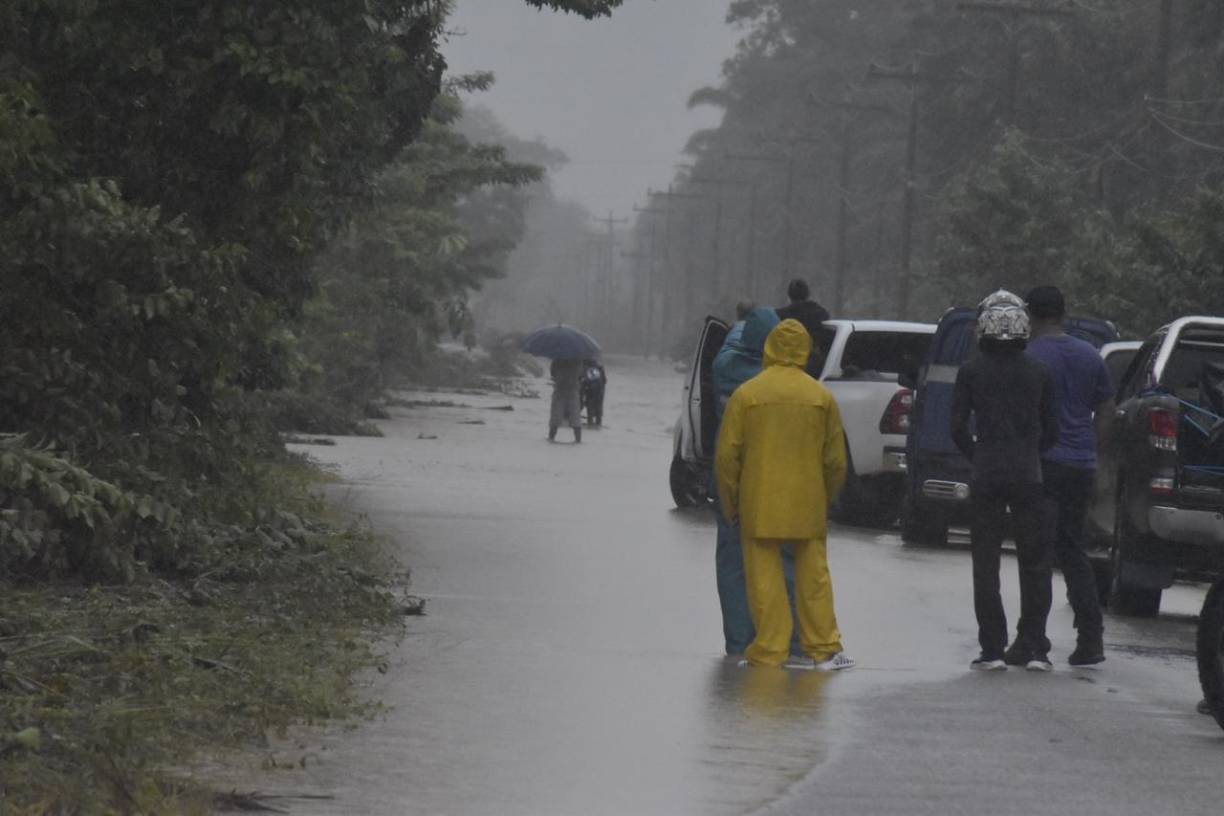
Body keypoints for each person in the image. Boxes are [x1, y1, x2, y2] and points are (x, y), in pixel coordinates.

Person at [715, 318, 854, 671]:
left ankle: (768, 650)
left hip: (758, 502)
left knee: (763, 579)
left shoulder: (747, 395)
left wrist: (731, 502)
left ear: (769, 348)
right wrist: (827, 496)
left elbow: (727, 457)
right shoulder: (821, 397)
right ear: (806, 350)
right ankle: (823, 650)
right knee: (814, 578)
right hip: (807, 504)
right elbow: (835, 459)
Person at [951, 290, 1058, 672]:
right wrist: (1031, 451)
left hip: (987, 474)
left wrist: (978, 454)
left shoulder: (971, 371)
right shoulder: (1039, 372)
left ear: (983, 329)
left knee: (986, 565)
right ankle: (1033, 647)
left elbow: (957, 427)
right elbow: (1053, 430)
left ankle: (992, 648)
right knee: (1034, 562)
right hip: (1029, 474)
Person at [1024, 285, 1111, 667]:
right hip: (1081, 465)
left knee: (1038, 552)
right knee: (1074, 550)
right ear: (1061, 313)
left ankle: (1034, 641)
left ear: (1030, 315)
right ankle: (1091, 639)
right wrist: (1092, 449)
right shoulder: (1089, 354)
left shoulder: (1027, 356)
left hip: (1042, 464)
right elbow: (1107, 408)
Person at [710, 306, 804, 658]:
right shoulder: (787, 382)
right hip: (776, 480)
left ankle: (738, 644)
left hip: (732, 481)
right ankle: (791, 643)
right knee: (785, 560)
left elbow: (725, 452)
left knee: (732, 564)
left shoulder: (725, 366)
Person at [775, 278, 830, 376]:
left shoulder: (780, 316)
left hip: (785, 365)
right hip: (814, 367)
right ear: (807, 294)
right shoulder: (821, 314)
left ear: (789, 295)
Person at [548, 358, 582, 443]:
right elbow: (581, 375)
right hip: (571, 391)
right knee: (575, 418)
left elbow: (552, 373)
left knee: (555, 418)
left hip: (560, 391)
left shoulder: (557, 360)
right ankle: (578, 441)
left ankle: (551, 439)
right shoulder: (577, 360)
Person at [580, 359, 607, 427]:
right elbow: (605, 380)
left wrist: (583, 389)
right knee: (599, 408)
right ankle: (598, 423)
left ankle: (590, 423)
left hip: (590, 390)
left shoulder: (584, 367)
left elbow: (582, 380)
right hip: (600, 390)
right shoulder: (600, 367)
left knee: (590, 408)